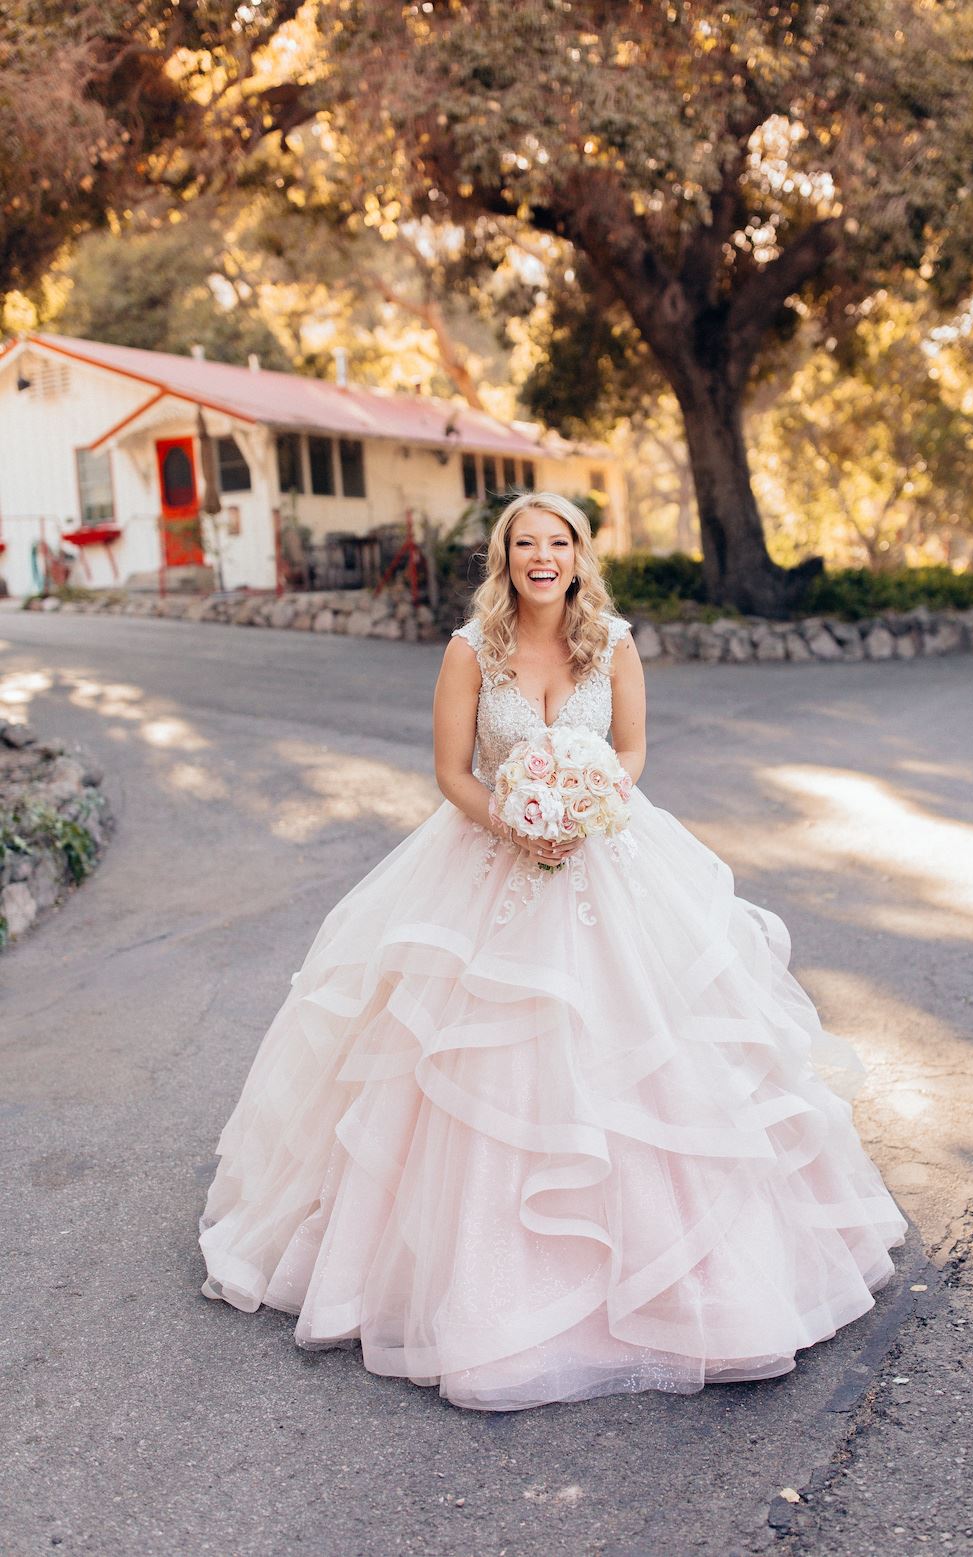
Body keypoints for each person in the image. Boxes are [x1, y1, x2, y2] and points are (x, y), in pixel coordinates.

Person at [198, 491, 907, 1412]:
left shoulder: (612, 640)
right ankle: (483, 1286)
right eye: (525, 543)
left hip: (611, 851)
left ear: (577, 554)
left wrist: (587, 799)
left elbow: (635, 748)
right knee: (473, 1065)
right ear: (506, 558)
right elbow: (452, 770)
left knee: (651, 1053)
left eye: (557, 541)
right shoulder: (469, 649)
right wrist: (517, 817)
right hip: (489, 856)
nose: (542, 556)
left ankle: (679, 1272)